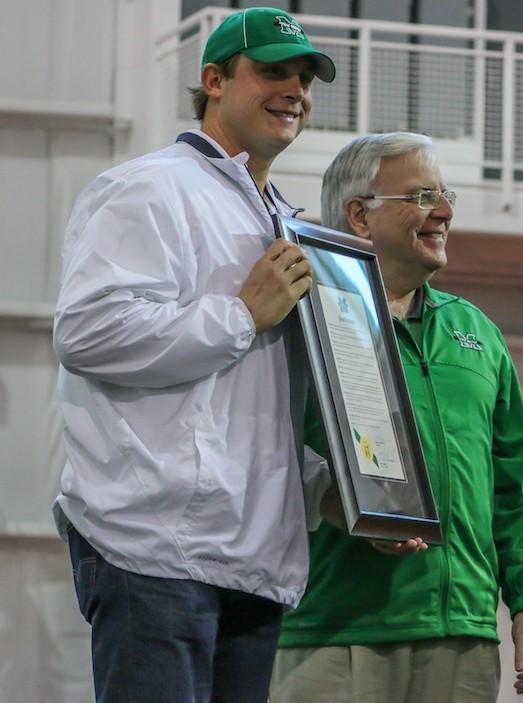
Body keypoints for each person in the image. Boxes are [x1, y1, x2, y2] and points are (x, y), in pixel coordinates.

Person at [51, 8, 336, 702]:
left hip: (253, 557)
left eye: (303, 77)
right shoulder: (147, 188)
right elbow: (88, 332)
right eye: (272, 70)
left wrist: (343, 490)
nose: (294, 88)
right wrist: (240, 314)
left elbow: (253, 402)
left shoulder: (286, 222)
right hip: (155, 548)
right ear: (213, 79)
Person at [272, 132, 523, 703]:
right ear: (360, 214)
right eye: (423, 195)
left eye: (445, 194)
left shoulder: (477, 334)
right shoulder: (297, 319)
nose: (445, 211)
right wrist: (343, 505)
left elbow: (513, 484)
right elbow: (260, 451)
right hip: (335, 628)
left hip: (462, 634)